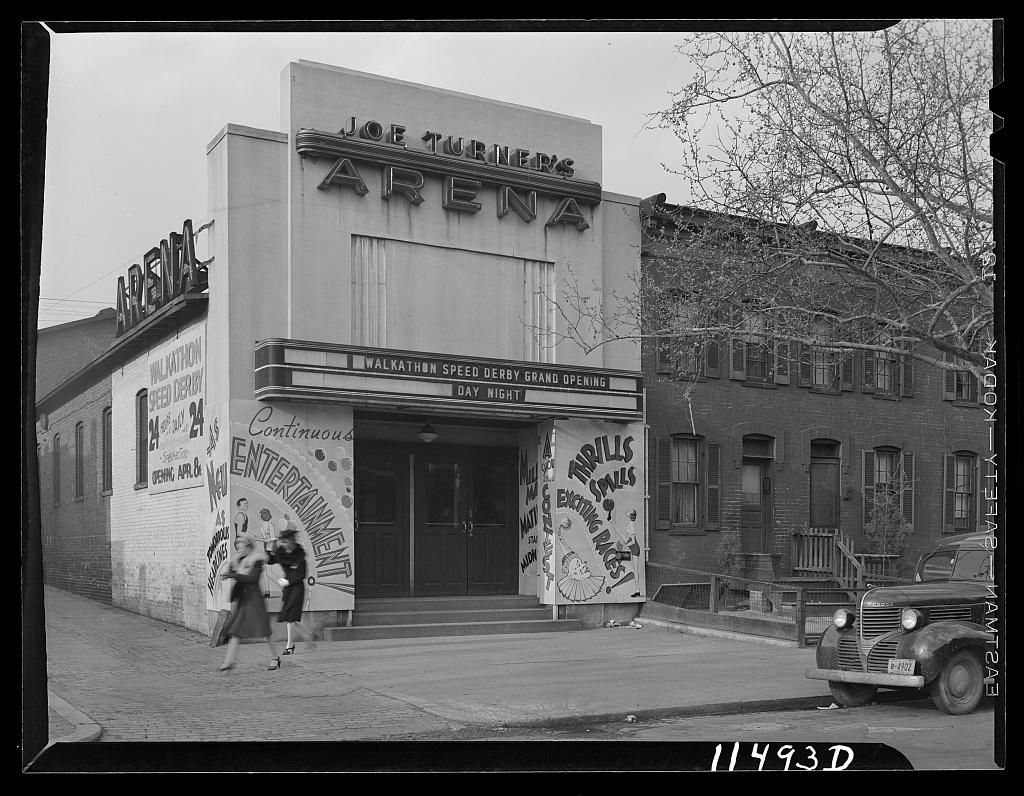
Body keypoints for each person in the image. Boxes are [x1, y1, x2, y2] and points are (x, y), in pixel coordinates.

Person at [218, 535, 281, 671]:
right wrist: (227, 573)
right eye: (238, 548)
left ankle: (275, 657)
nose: (239, 551)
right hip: (243, 599)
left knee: (265, 630)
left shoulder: (257, 560)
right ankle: (229, 662)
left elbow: (252, 579)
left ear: (249, 547)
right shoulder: (238, 560)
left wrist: (233, 575)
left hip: (255, 599)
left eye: (242, 548)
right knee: (236, 630)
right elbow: (234, 572)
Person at [267, 523, 317, 655]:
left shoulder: (300, 556)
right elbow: (270, 560)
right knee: (289, 617)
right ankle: (307, 637)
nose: (285, 544)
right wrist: (270, 547)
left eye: (287, 542)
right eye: (283, 542)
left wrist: (287, 581)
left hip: (297, 588)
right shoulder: (281, 553)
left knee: (290, 616)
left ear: (292, 541)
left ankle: (290, 645)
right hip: (288, 589)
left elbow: (302, 574)